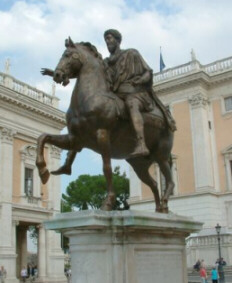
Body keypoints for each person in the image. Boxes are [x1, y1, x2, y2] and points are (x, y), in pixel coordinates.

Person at [50, 29, 176, 175]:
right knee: (83, 122)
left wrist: (139, 81)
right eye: (106, 40)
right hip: (116, 95)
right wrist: (62, 73)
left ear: (117, 41)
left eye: (110, 39)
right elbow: (88, 71)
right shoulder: (106, 62)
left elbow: (148, 72)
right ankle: (68, 163)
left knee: (131, 104)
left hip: (134, 92)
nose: (108, 42)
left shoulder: (131, 53)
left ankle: (141, 143)